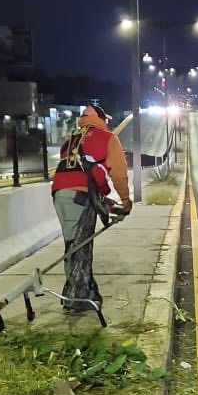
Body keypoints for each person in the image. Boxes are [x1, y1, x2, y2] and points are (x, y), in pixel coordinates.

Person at [51, 104, 132, 312]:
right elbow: (118, 174)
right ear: (102, 119)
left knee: (73, 244)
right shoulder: (108, 138)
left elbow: (82, 173)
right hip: (80, 198)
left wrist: (106, 202)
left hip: (59, 195)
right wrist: (125, 200)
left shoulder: (71, 141)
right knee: (80, 248)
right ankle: (77, 297)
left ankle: (78, 291)